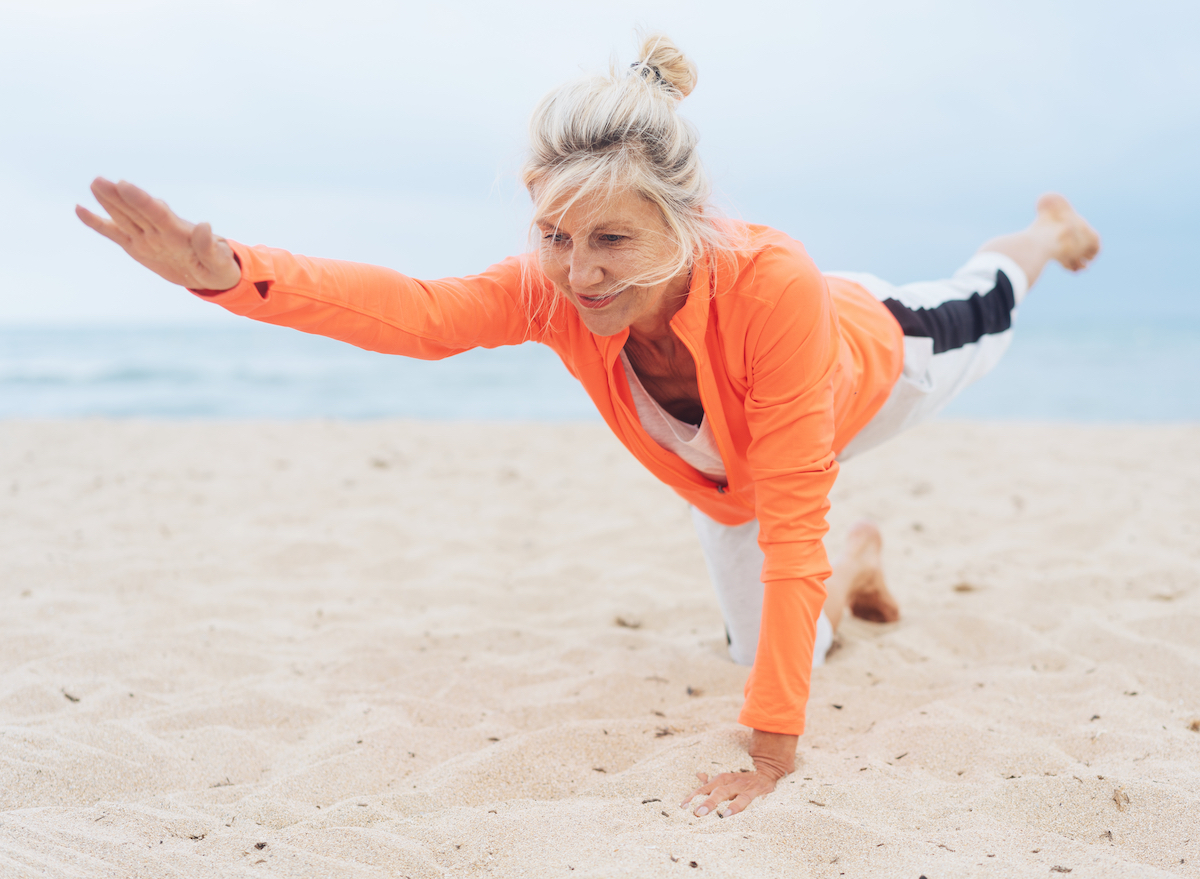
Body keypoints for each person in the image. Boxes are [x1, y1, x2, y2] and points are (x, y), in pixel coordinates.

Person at [75, 33, 1100, 820]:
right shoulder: (555, 293)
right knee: (781, 646)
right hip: (740, 479)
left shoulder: (769, 283)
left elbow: (794, 516)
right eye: (558, 236)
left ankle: (1042, 231)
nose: (581, 271)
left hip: (879, 361)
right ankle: (861, 560)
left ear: (686, 217)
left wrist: (769, 755)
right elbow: (418, 313)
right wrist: (227, 274)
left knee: (989, 298)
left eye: (613, 239)